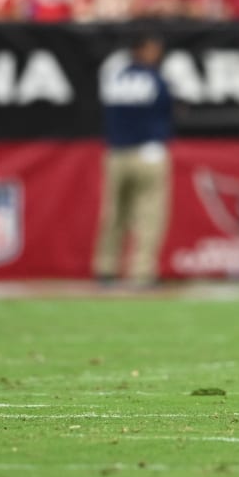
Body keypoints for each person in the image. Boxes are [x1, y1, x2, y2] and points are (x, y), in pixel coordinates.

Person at [93, 33, 173, 287]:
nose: (156, 54)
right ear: (139, 49)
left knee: (115, 213)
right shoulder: (154, 78)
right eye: (152, 49)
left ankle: (106, 267)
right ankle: (142, 272)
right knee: (148, 215)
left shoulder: (113, 75)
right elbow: (168, 108)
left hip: (117, 152)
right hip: (147, 153)